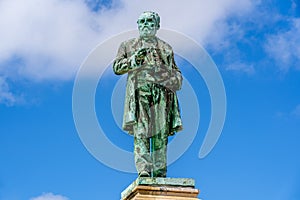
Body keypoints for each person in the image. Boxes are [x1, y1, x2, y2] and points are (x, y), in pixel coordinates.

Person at [113, 11, 183, 177]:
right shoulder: (128, 45)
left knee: (160, 132)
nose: (145, 24)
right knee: (142, 130)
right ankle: (144, 170)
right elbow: (117, 67)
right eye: (142, 21)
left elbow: (178, 76)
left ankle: (159, 172)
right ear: (138, 25)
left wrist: (169, 76)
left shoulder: (166, 48)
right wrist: (134, 60)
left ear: (157, 26)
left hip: (162, 92)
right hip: (139, 91)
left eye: (150, 21)